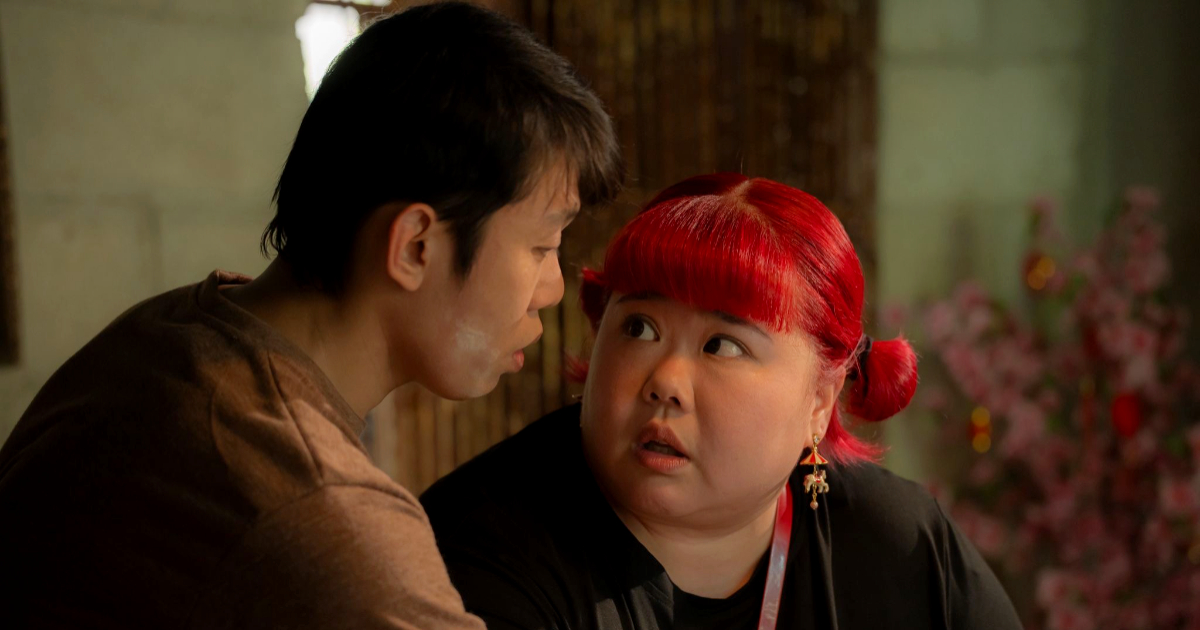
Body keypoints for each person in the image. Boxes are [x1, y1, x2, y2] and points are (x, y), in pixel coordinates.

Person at [0, 3, 622, 628]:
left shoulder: (163, 333)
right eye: (543, 245)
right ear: (415, 247)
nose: (552, 288)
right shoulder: (328, 523)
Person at [421, 173, 1022, 629]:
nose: (665, 381)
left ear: (820, 399)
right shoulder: (482, 552)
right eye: (640, 328)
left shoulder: (899, 544)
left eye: (723, 346)